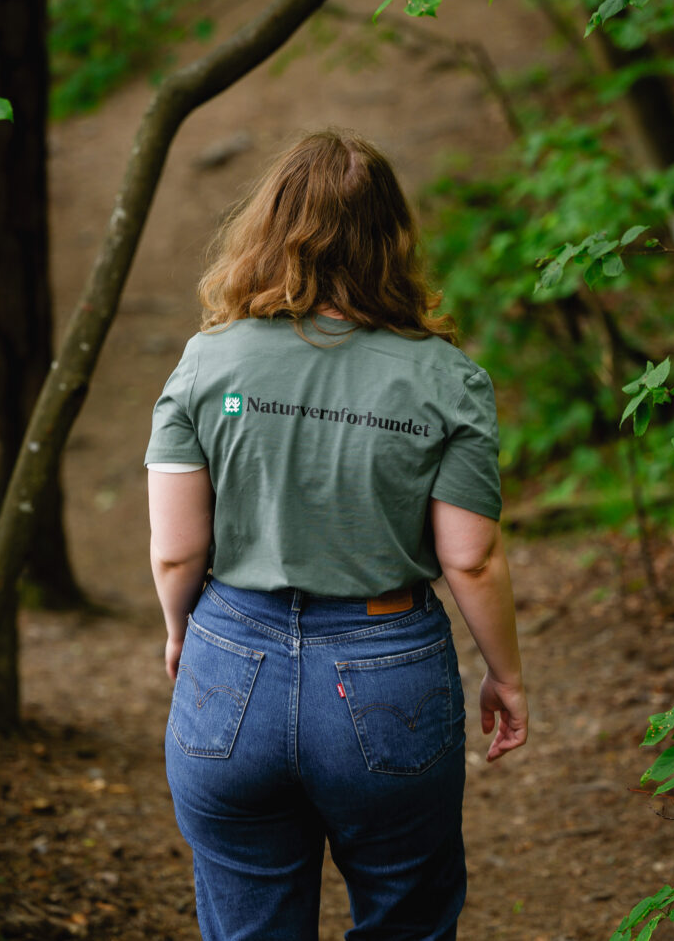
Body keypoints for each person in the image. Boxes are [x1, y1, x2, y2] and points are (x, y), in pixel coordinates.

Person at [144, 129, 527, 941]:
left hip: (229, 668)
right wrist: (507, 676)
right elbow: (472, 556)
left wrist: (183, 632)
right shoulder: (445, 378)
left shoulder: (207, 364)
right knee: (406, 920)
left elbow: (176, 549)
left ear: (268, 231)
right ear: (391, 240)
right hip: (386, 668)